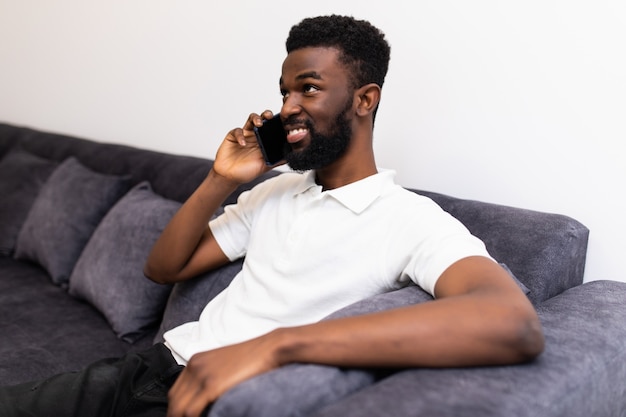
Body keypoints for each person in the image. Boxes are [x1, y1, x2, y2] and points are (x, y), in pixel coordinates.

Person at [0, 14, 544, 417]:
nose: (287, 107)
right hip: (149, 366)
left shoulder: (408, 218)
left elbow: (512, 322)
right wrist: (222, 180)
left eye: (309, 87)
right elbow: (162, 269)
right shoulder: (273, 192)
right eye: (285, 91)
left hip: (203, 395)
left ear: (365, 99)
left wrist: (274, 345)